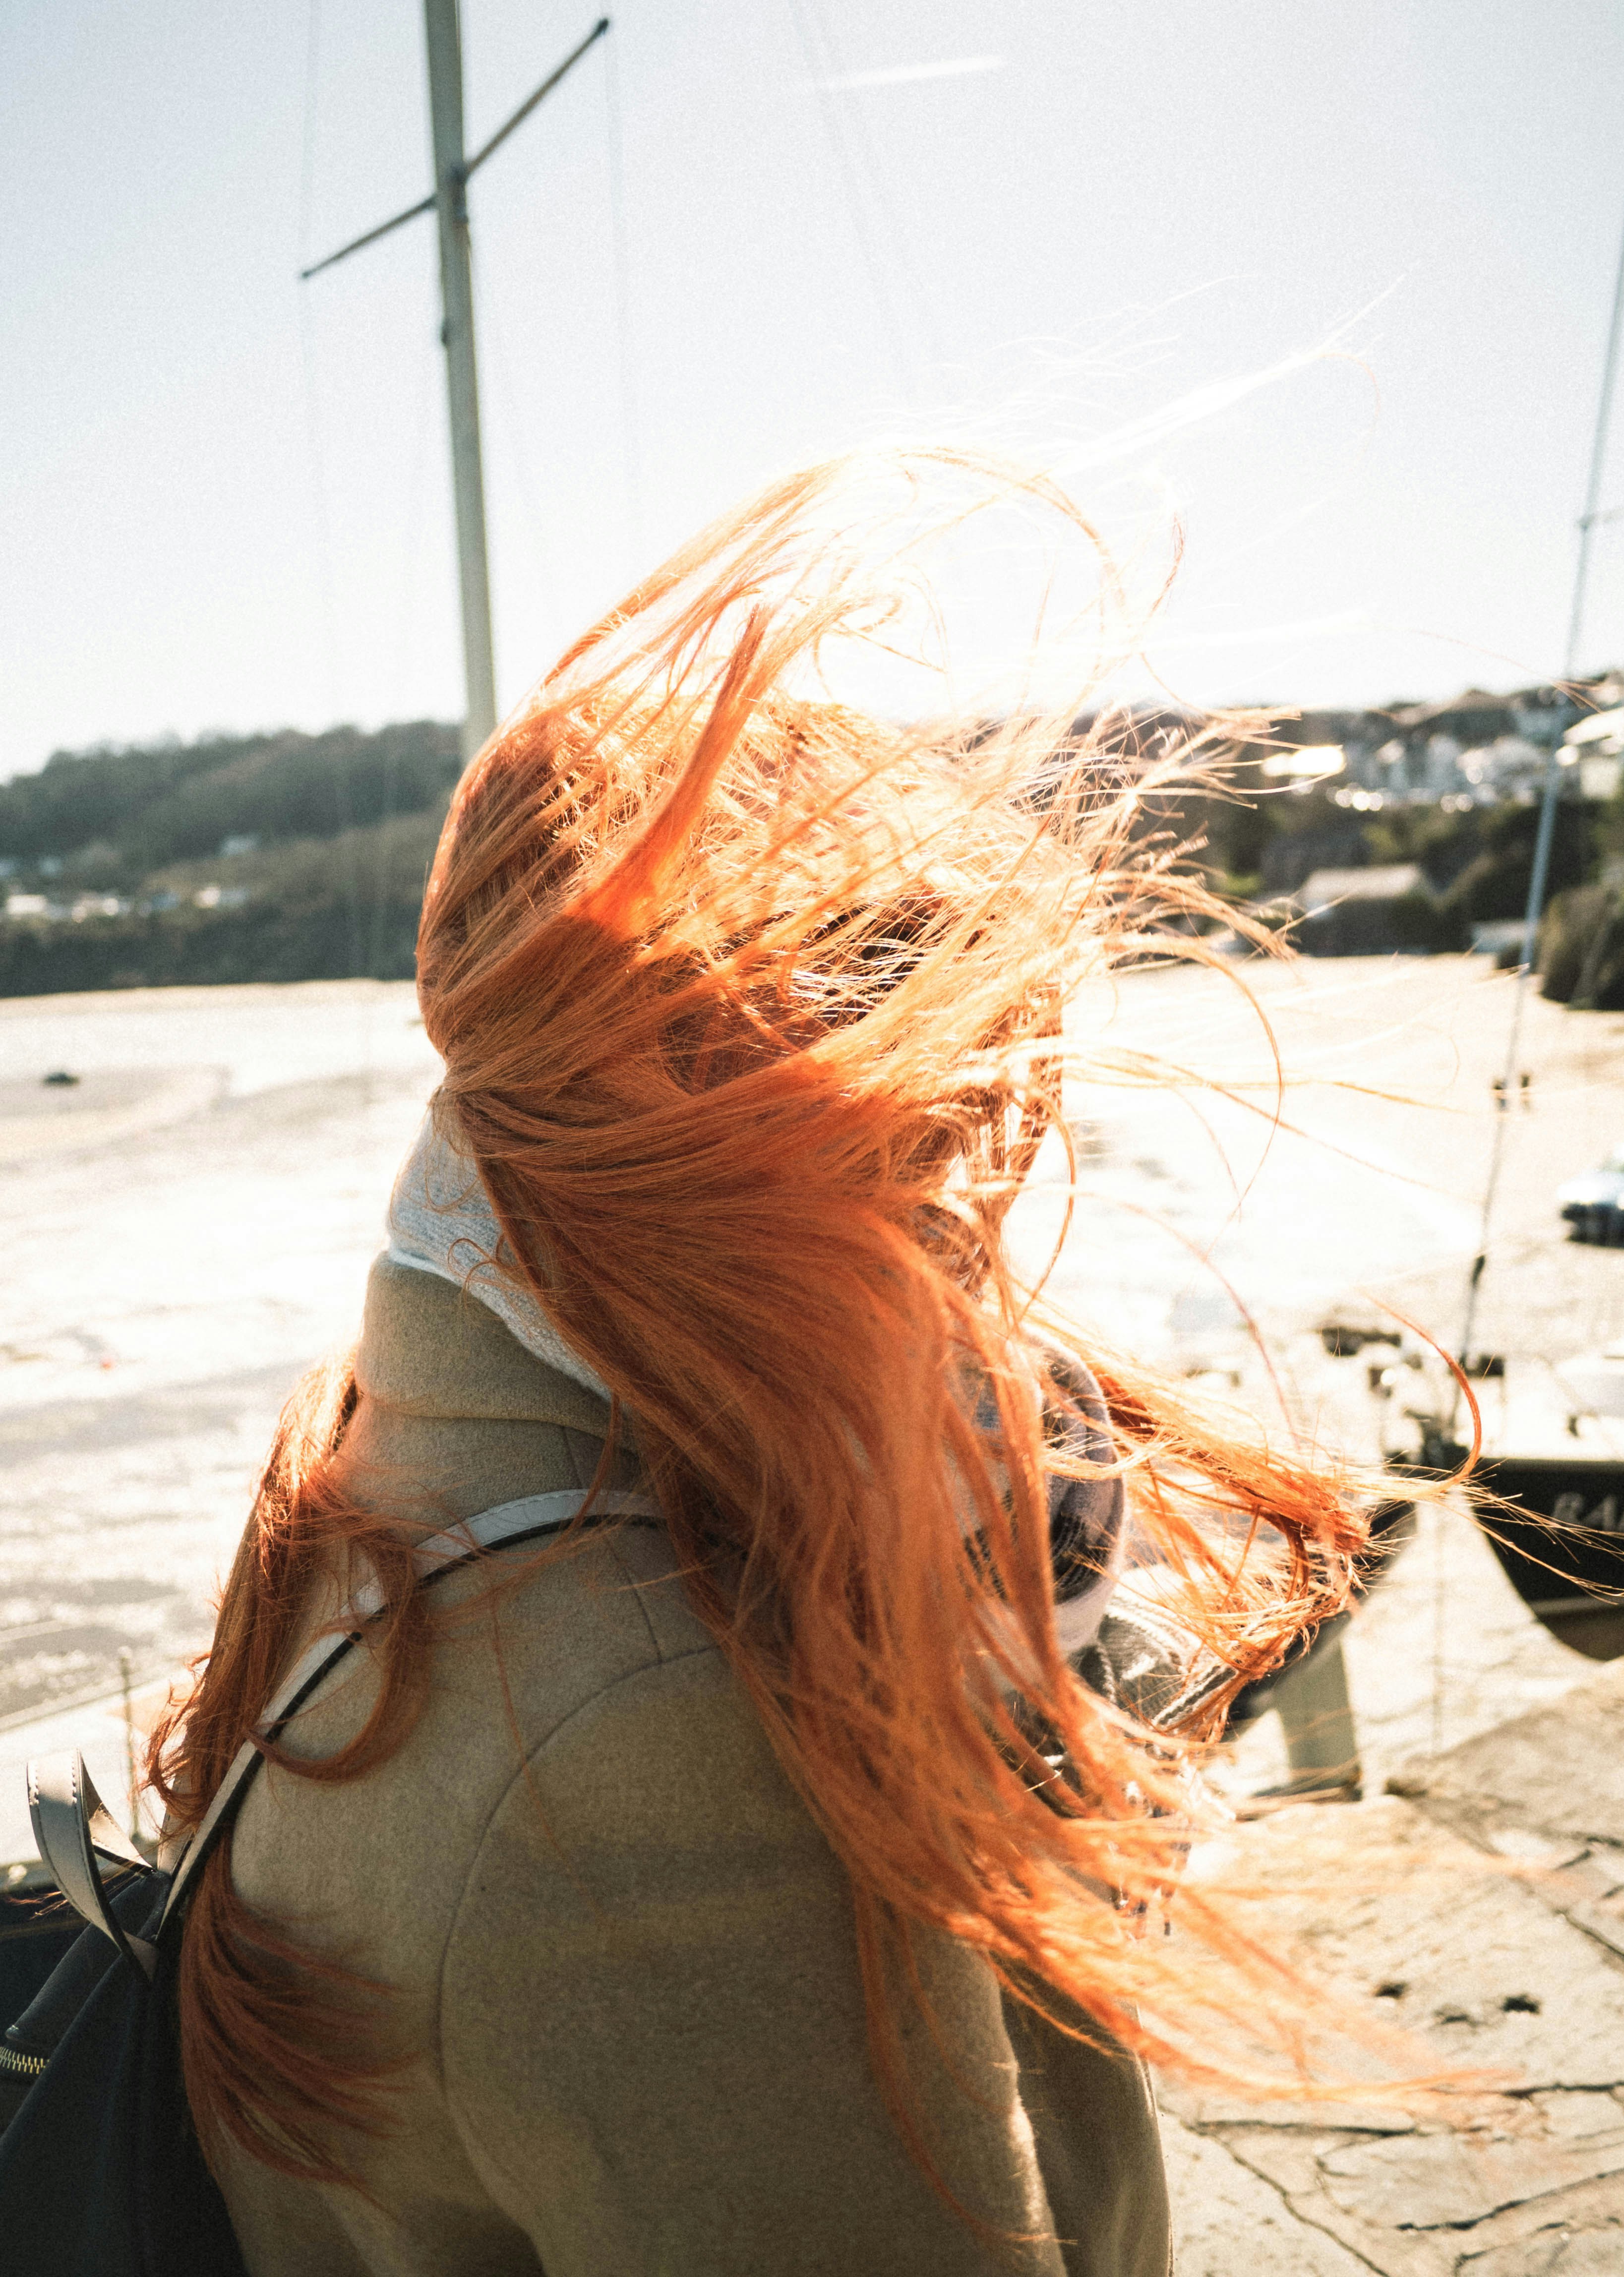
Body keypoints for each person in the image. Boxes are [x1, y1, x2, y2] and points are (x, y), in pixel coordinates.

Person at [145, 453, 1367, 2275]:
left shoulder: (402, 1446)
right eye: (926, 1137)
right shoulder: (653, 1757)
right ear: (725, 1150)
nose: (964, 1219)